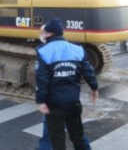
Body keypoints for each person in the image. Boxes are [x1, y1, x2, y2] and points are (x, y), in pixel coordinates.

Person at [35, 18, 98, 150]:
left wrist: (41, 101)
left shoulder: (43, 51)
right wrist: (94, 88)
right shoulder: (77, 49)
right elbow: (88, 72)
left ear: (49, 34)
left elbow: (42, 80)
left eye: (44, 32)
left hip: (54, 104)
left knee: (57, 141)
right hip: (73, 102)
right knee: (78, 136)